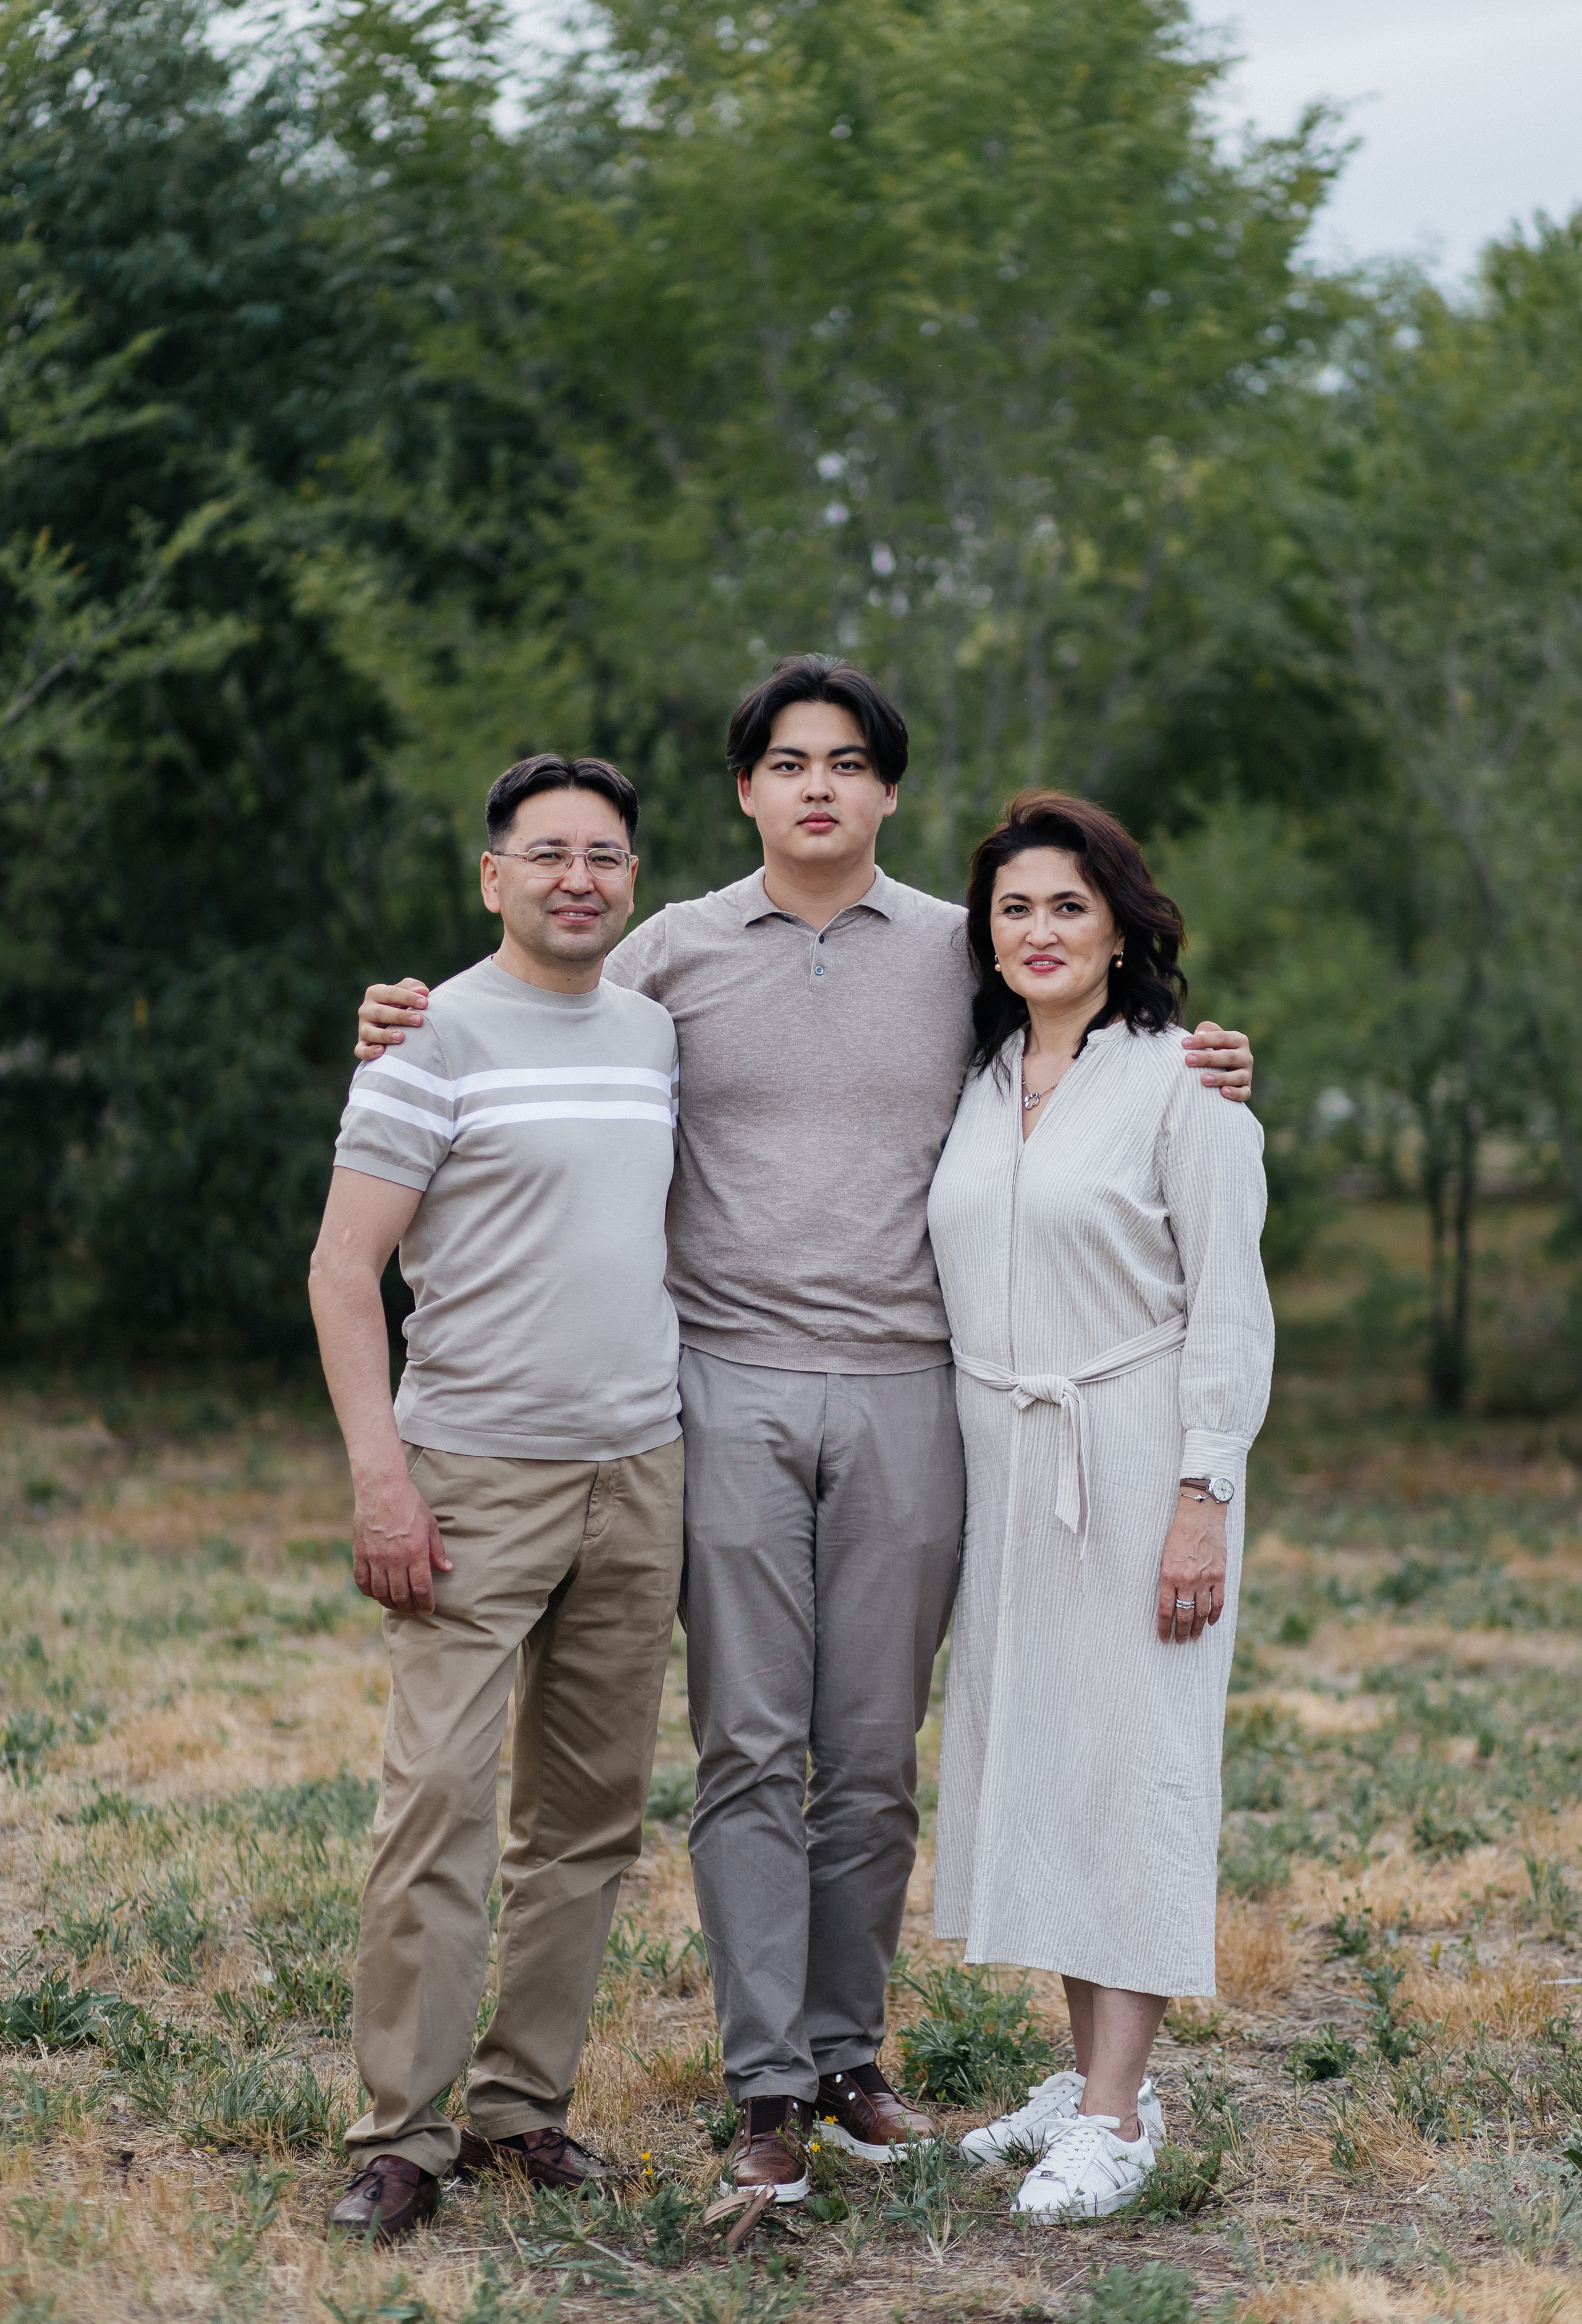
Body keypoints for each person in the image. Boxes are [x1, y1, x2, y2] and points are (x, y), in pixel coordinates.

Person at [353, 658, 1258, 2203]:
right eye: (787, 762)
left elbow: (1078, 1037)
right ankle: (762, 2087)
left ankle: (848, 2064)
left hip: (917, 1390)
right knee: (747, 1749)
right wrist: (408, 1012)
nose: (818, 786)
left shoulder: (955, 949)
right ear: (745, 788)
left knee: (870, 1757)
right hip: (723, 1384)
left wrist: (1207, 1057)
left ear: (890, 791)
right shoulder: (673, 948)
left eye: (849, 762)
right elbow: (538, 991)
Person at [308, 753, 684, 2245]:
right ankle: (400, 2134)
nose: (576, 877)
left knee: (587, 1817)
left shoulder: (655, 1033)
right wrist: (381, 1482)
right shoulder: (428, 1037)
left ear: (631, 884)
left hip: (638, 1468)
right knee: (441, 1803)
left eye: (603, 855)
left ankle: (523, 2112)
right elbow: (342, 1275)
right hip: (469, 1471)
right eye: (546, 854)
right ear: (493, 877)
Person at [926, 789, 1275, 2221]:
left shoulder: (1183, 1081)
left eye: (1067, 903)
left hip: (1136, 1455)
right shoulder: (981, 1075)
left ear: (1121, 922)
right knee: (1048, 1763)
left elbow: (1229, 1307)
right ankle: (1078, 2077)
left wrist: (1202, 1493)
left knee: (1130, 1766)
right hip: (1003, 1455)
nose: (1039, 929)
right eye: (1013, 907)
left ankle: (1121, 2116)